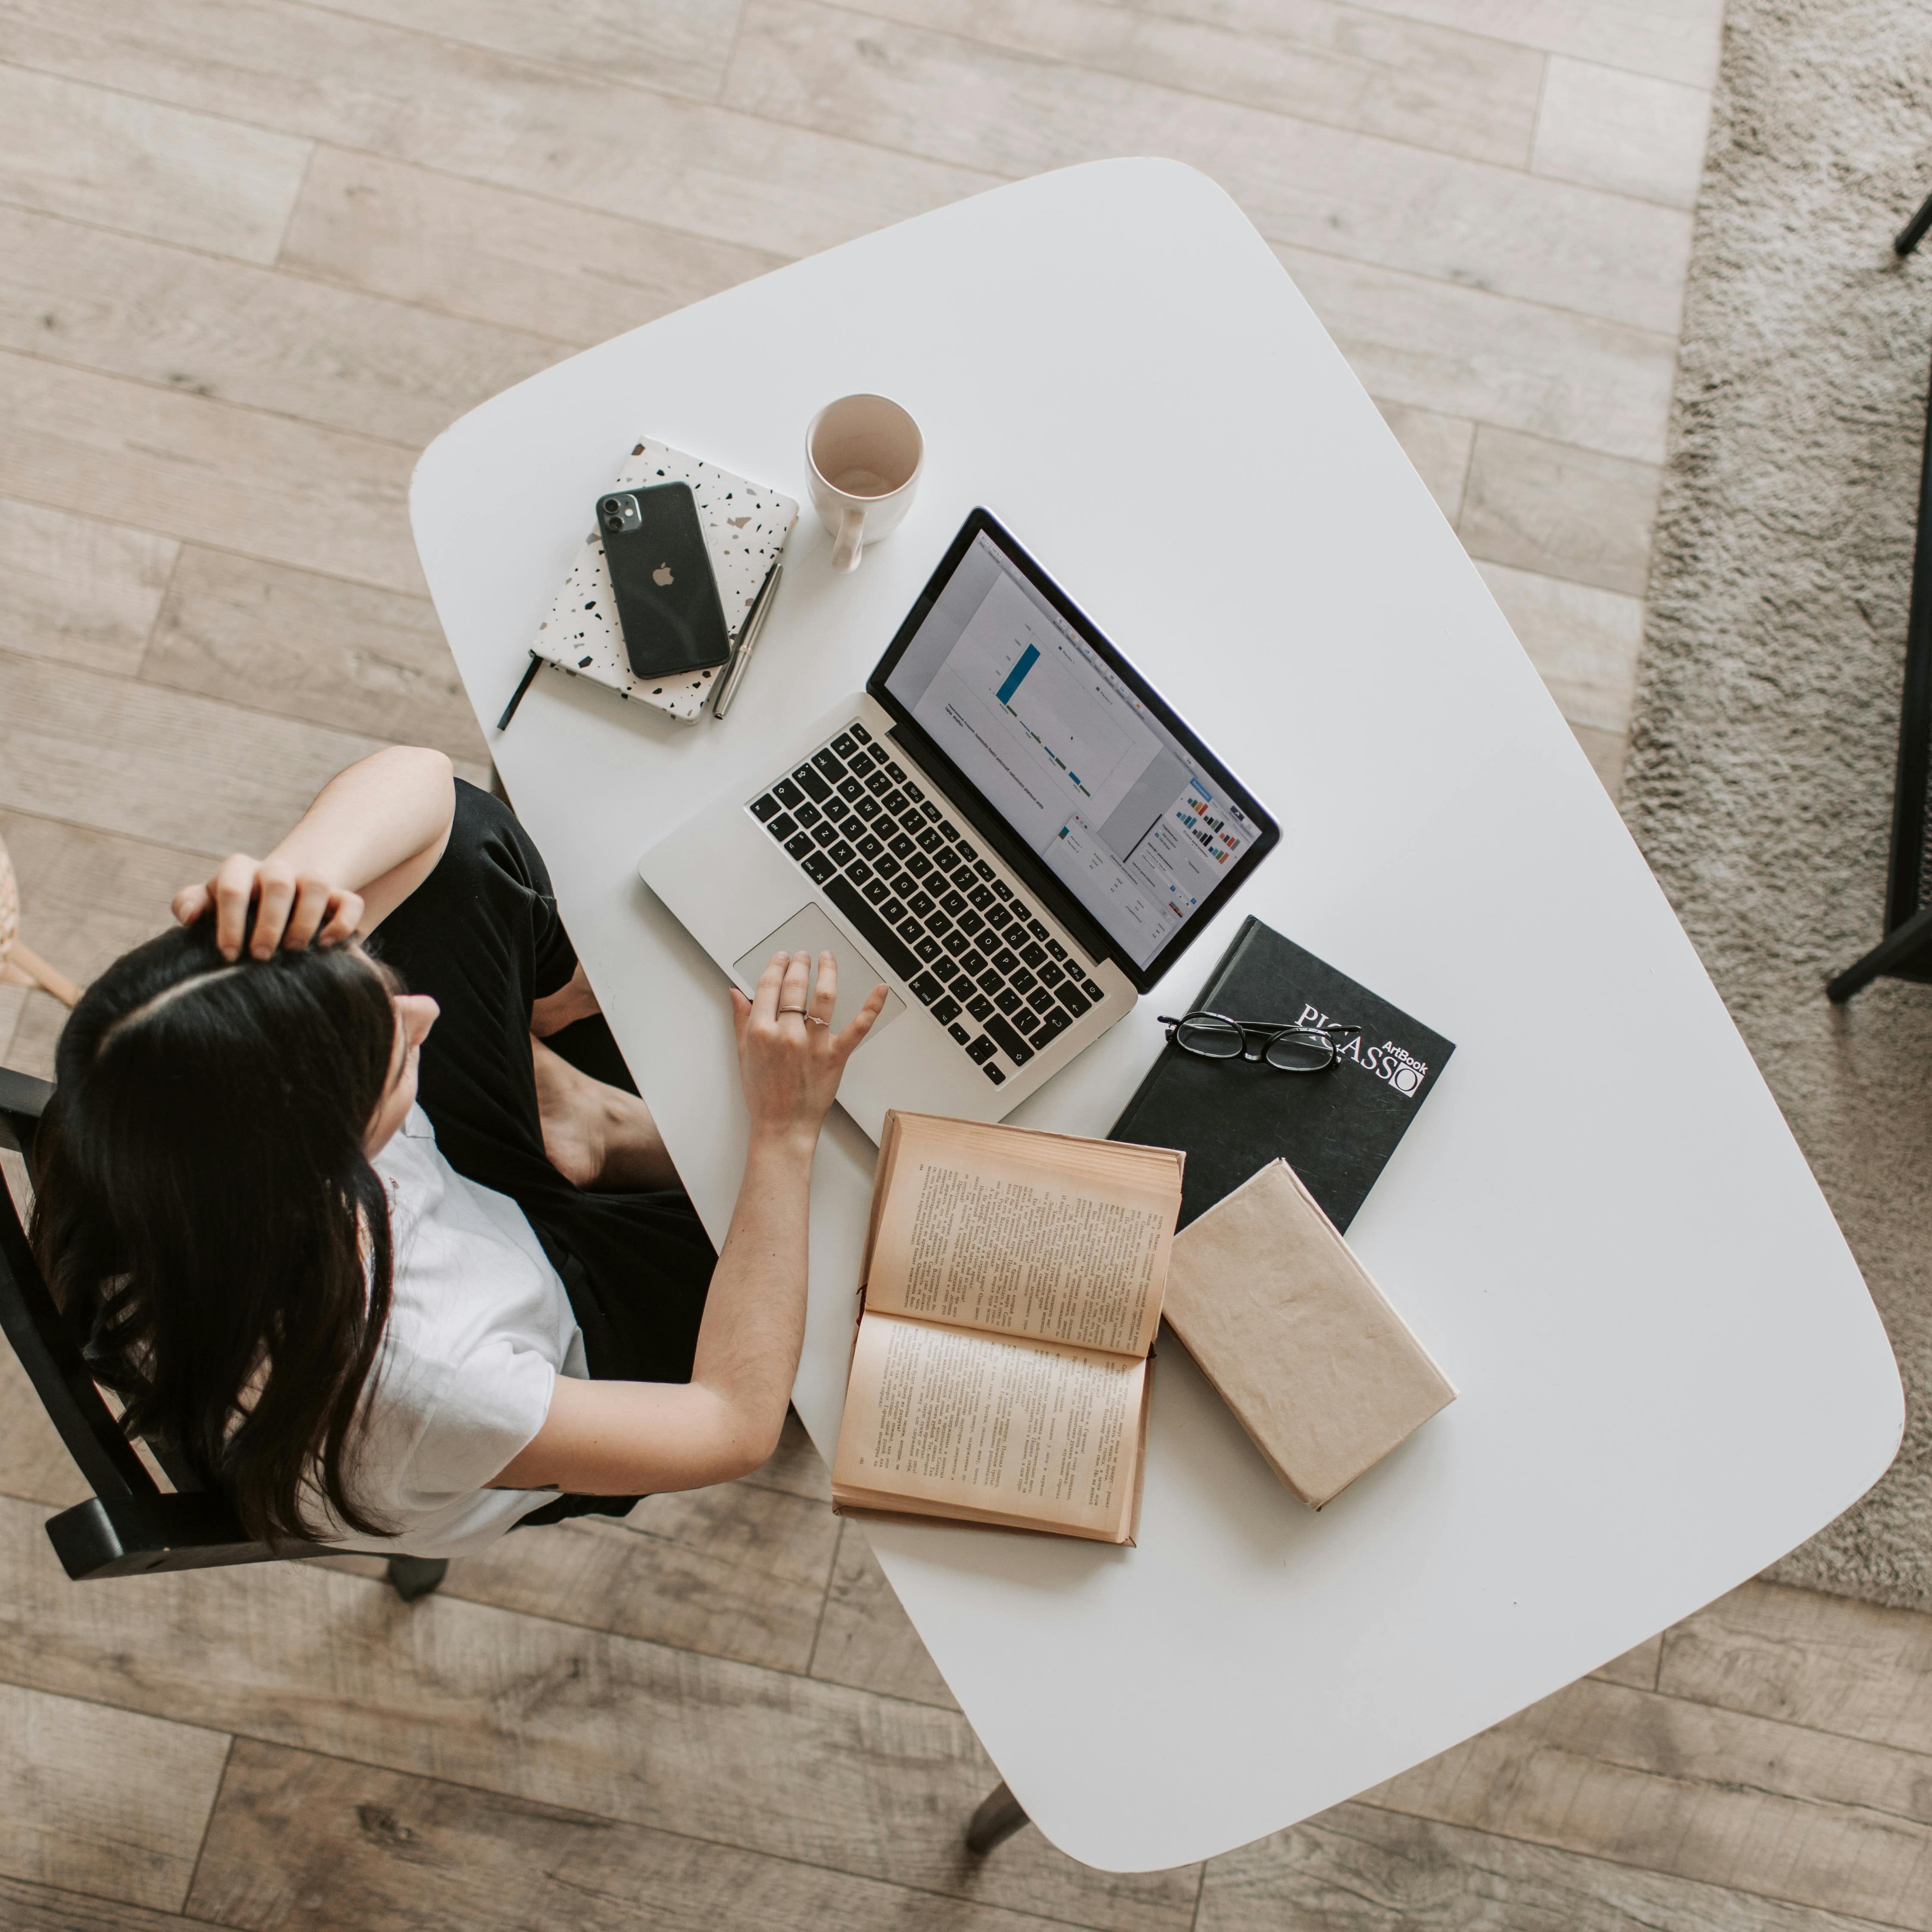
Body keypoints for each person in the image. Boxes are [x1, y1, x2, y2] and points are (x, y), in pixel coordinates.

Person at [30, 746, 885, 1557]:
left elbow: (429, 793)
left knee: (469, 846)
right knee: (851, 1236)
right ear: (332, 1164)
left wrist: (299, 876)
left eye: (373, 988)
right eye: (388, 1047)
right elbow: (730, 1423)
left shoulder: (140, 1090)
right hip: (562, 1338)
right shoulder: (432, 1382)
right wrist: (782, 1129)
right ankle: (595, 1125)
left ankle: (580, 1120)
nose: (423, 1016)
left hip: (451, 1217)